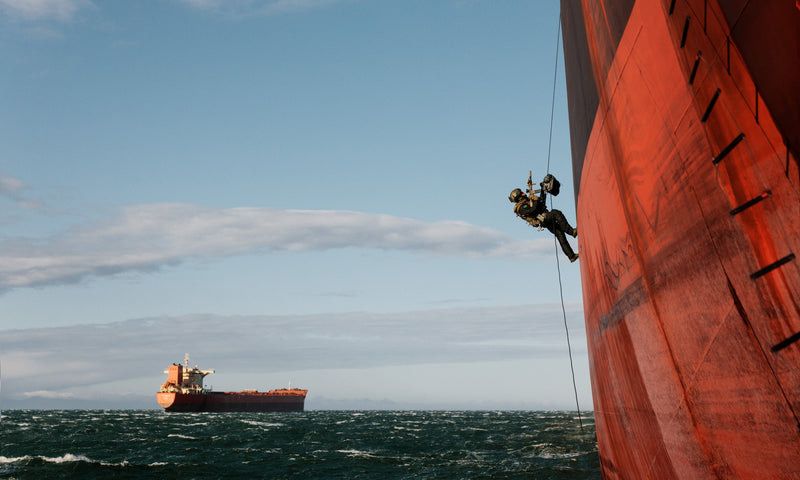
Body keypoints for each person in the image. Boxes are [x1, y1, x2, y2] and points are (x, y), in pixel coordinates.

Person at [510, 174, 578, 262]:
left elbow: (541, 203)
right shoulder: (521, 208)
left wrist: (542, 191)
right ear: (519, 197)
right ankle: (571, 231)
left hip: (545, 217)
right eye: (521, 193)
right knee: (555, 213)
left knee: (560, 234)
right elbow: (533, 210)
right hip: (543, 219)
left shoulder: (527, 201)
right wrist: (535, 200)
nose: (524, 193)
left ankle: (571, 256)